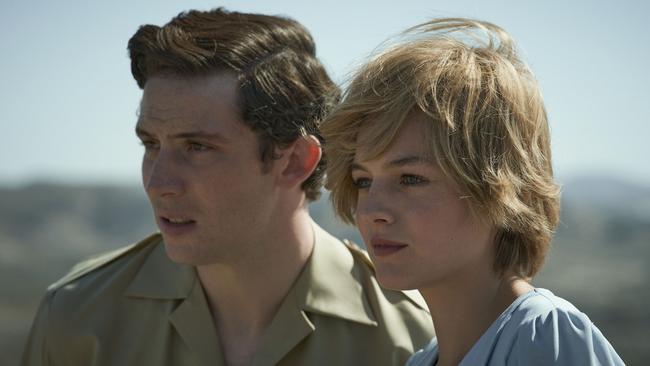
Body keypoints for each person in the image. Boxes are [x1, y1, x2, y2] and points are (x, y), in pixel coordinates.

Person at [20, 7, 434, 366]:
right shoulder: (79, 317)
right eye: (151, 144)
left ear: (293, 161)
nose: (158, 182)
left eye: (197, 147)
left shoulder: (414, 340)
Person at [322, 18, 624, 366]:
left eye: (410, 178)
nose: (372, 210)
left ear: (500, 187)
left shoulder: (545, 340)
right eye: (363, 181)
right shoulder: (421, 362)